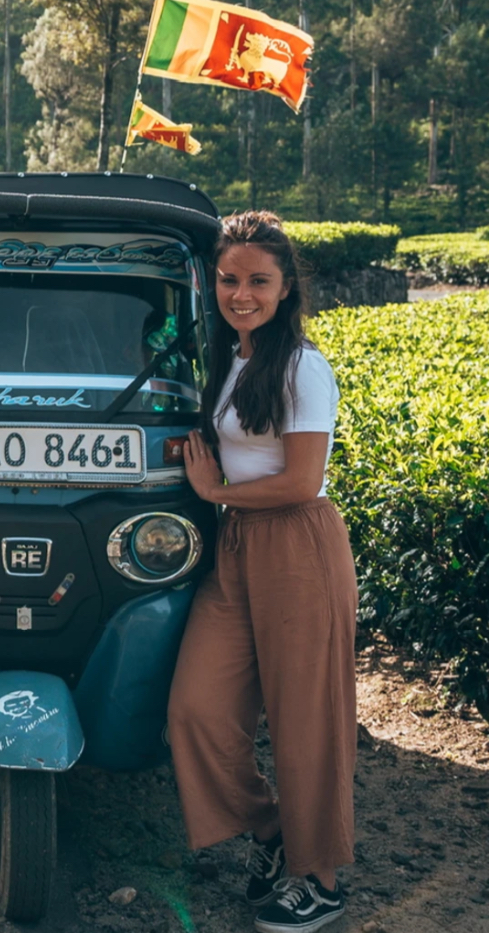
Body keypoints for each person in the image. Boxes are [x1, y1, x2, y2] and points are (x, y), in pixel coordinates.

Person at [166, 210, 358, 933]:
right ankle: (276, 833)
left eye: (257, 281)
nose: (240, 293)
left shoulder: (304, 365)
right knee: (197, 710)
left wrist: (215, 490)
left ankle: (322, 877)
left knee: (306, 716)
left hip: (298, 546)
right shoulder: (233, 356)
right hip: (238, 544)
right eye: (228, 278)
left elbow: (304, 480)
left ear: (285, 288)